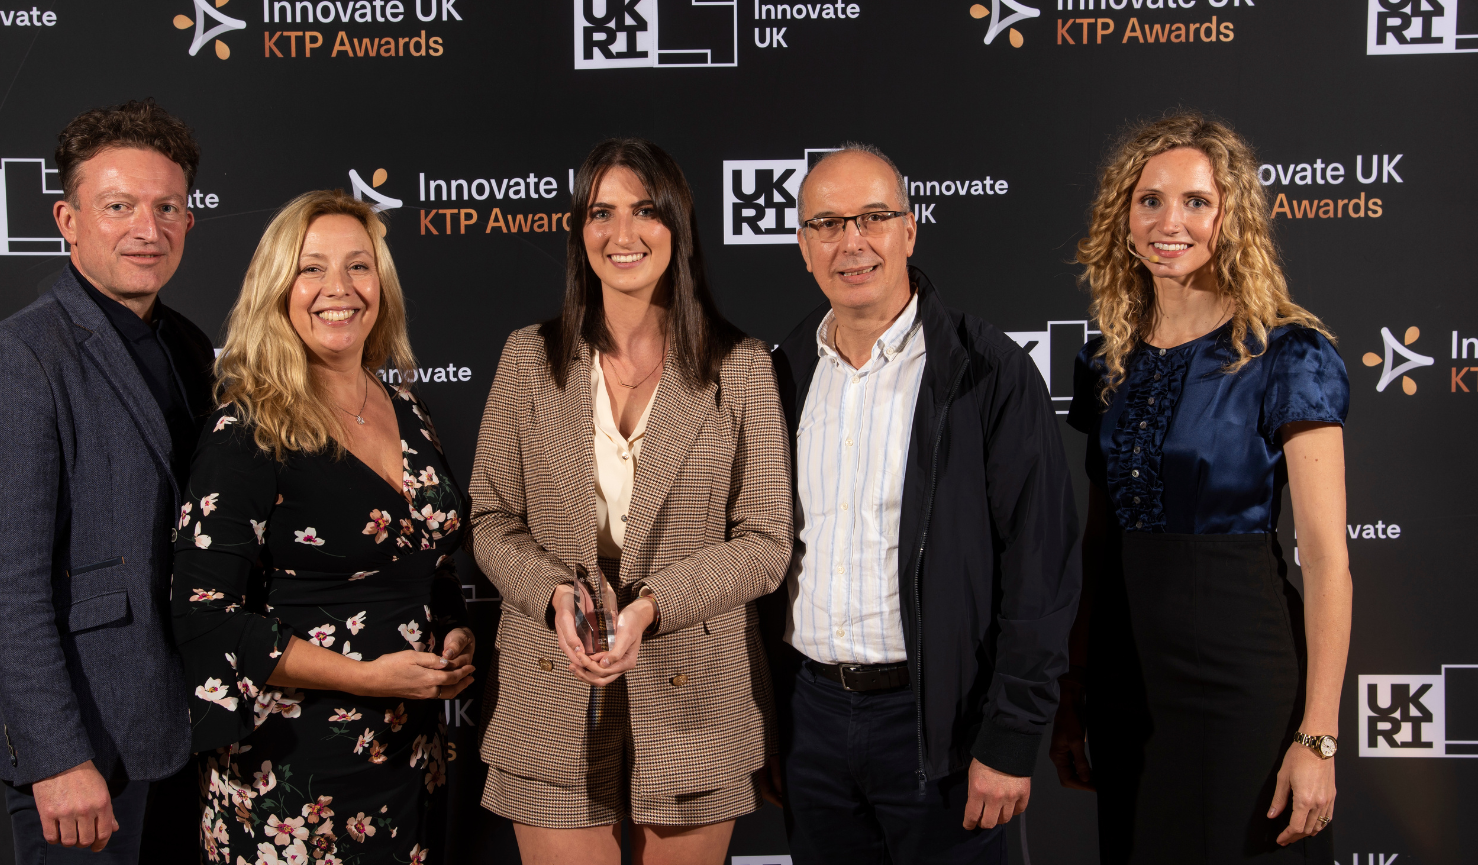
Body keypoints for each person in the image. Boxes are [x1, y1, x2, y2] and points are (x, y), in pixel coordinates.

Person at [470, 137, 794, 865]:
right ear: (579, 230)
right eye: (600, 212)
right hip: (550, 686)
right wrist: (553, 593)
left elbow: (766, 539)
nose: (623, 234)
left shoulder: (740, 366)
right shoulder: (528, 357)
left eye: (645, 210)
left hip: (695, 693)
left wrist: (650, 606)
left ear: (677, 225)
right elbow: (491, 516)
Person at [761, 143, 1082, 864]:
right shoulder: (781, 375)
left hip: (943, 724)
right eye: (828, 224)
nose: (853, 242)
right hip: (812, 719)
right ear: (803, 246)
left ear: (910, 229)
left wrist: (1009, 737)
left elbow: (1041, 568)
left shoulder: (987, 370)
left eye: (874, 217)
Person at [1049, 112, 1352, 863]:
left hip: (1242, 676)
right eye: (1149, 200)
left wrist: (1317, 734)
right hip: (1127, 684)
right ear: (1123, 217)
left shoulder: (1288, 353)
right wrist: (1073, 690)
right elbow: (1098, 541)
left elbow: (1325, 557)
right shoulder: (1105, 362)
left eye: (1195, 201)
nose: (1168, 221)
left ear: (1233, 218)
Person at [169, 190, 476, 864]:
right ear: (277, 287)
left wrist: (454, 634)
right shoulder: (247, 428)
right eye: (312, 268)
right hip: (291, 776)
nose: (338, 289)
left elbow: (434, 560)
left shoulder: (407, 410)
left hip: (409, 758)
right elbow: (206, 615)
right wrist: (367, 677)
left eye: (358, 266)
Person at [0, 99, 215, 863]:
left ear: (190, 221)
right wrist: (57, 757)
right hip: (86, 753)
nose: (147, 227)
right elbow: (4, 584)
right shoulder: (17, 355)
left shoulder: (188, 344)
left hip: (185, 736)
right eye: (119, 206)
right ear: (68, 220)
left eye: (167, 207)